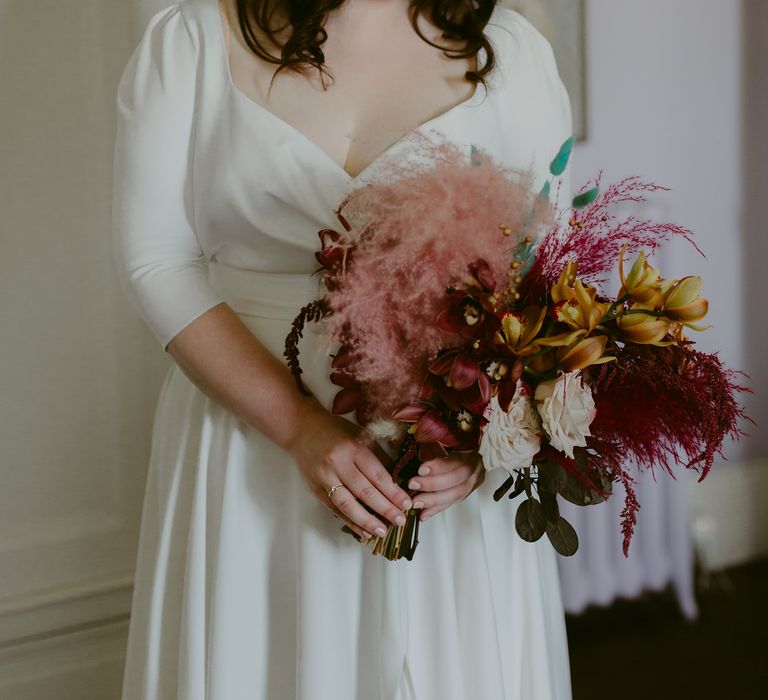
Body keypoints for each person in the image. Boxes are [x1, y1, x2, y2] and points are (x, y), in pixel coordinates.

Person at [112, 0, 574, 697]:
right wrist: (299, 428)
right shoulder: (192, 41)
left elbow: (545, 275)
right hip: (248, 442)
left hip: (443, 471)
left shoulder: (511, 51)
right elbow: (156, 260)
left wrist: (486, 438)